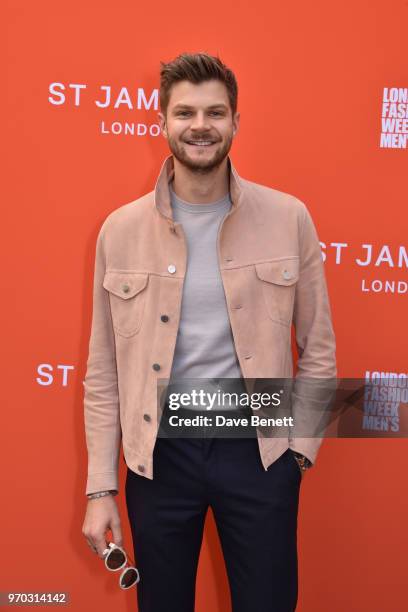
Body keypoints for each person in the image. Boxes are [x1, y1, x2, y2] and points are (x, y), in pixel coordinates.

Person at [82, 52, 337, 612]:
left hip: (260, 453)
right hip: (158, 456)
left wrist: (299, 454)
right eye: (186, 113)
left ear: (236, 122)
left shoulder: (288, 216)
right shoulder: (120, 230)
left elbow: (318, 350)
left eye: (215, 112)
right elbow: (103, 371)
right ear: (163, 122)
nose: (201, 126)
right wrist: (101, 488)